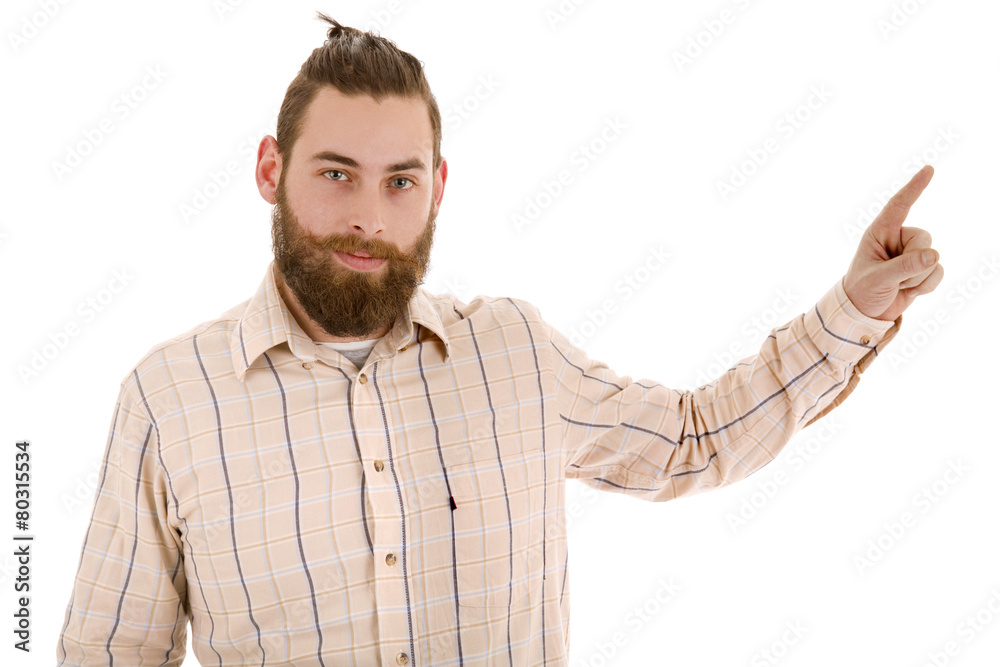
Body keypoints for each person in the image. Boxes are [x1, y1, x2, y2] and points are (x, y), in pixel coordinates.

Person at [55, 13, 943, 667]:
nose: (369, 218)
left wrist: (853, 308)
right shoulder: (169, 400)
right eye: (336, 173)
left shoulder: (514, 352)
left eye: (400, 181)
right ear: (270, 169)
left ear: (438, 188)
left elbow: (693, 438)